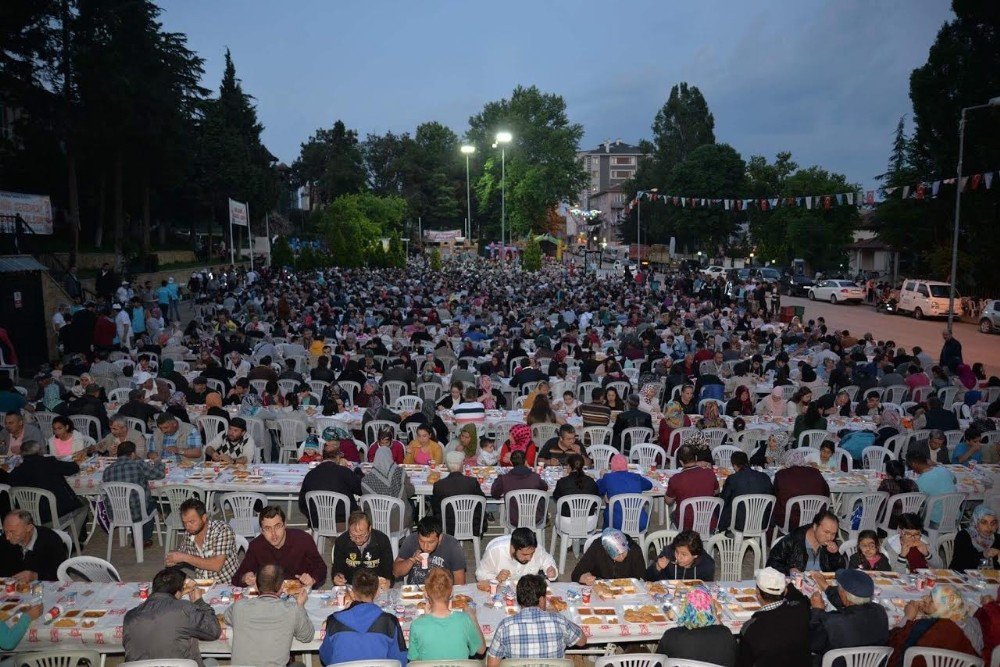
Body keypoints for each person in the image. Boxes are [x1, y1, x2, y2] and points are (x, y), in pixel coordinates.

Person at [122, 566, 222, 667]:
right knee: (211, 662)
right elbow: (214, 631)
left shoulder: (129, 616)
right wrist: (199, 602)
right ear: (178, 592)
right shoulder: (184, 608)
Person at [225, 562, 315, 667]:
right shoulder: (292, 610)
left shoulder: (239, 606)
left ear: (257, 587)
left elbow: (227, 617)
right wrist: (300, 605)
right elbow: (307, 636)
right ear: (282, 586)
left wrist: (248, 597)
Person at [486, 573, 585, 666]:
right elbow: (582, 641)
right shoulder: (559, 620)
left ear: (518, 599)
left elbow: (492, 664)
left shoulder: (505, 625)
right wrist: (559, 616)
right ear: (542, 599)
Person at [318, 569, 408, 667]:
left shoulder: (334, 621)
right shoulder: (390, 622)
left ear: (352, 592)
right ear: (378, 592)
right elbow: (400, 661)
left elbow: (326, 657)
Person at [7, 439, 88, 537]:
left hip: (27, 518)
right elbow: (73, 468)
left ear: (22, 454)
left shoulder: (17, 471)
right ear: (39, 451)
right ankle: (71, 542)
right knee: (83, 505)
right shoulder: (50, 462)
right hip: (53, 516)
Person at [231, 505, 327, 587]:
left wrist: (313, 579)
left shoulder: (303, 539)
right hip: (270, 595)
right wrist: (245, 578)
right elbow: (236, 578)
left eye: (277, 526)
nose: (273, 534)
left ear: (285, 525)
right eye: (267, 528)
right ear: (262, 531)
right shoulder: (256, 546)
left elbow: (321, 567)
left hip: (300, 590)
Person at [887, 584, 981, 667]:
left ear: (942, 608)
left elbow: (893, 640)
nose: (925, 599)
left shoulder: (926, 627)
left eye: (931, 600)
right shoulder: (973, 623)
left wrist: (908, 617)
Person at [407, 567, 486, 661]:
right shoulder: (464, 620)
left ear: (426, 594)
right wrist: (473, 617)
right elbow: (481, 650)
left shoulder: (417, 625)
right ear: (452, 592)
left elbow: (414, 660)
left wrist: (424, 618)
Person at [736, 567, 810, 667]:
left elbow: (743, 663)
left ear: (758, 594)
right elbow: (801, 599)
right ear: (784, 591)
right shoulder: (801, 611)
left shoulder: (751, 628)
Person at [807, 568, 889, 658]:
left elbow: (813, 644)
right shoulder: (880, 611)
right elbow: (849, 603)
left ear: (843, 594)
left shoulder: (832, 621)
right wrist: (827, 588)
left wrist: (817, 610)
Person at [101, 441, 165, 545]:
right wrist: (158, 462)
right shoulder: (138, 464)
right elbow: (160, 474)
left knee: (132, 501)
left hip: (116, 512)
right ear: (133, 454)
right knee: (151, 503)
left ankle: (135, 535)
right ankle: (144, 538)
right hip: (137, 511)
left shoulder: (107, 470)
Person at [656, 587, 737, 667]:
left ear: (685, 610)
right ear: (711, 611)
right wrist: (715, 616)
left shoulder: (672, 635)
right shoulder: (725, 634)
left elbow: (657, 663)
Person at [165, 497, 241, 583]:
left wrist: (183, 557)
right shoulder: (189, 533)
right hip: (202, 583)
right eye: (184, 522)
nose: (187, 527)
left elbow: (216, 565)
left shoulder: (222, 530)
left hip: (227, 584)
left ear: (204, 518)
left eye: (192, 522)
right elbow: (182, 554)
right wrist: (174, 559)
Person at [298, 439, 363, 527]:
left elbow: (302, 504)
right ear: (338, 457)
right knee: (362, 510)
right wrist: (356, 471)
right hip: (343, 522)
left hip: (317, 522)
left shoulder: (310, 474)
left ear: (322, 457)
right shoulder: (344, 472)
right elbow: (360, 490)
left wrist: (313, 516)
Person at [766, 509, 846, 574]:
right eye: (826, 532)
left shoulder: (830, 544)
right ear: (815, 526)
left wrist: (835, 555)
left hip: (821, 586)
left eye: (833, 534)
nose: (829, 537)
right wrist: (788, 570)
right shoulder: (793, 540)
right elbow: (771, 564)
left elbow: (841, 571)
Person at [394, 516, 467, 585]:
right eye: (421, 541)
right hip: (416, 590)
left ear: (440, 537)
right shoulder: (411, 540)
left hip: (442, 591)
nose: (425, 547)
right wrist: (411, 560)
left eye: (430, 542)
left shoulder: (452, 545)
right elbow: (396, 572)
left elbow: (460, 582)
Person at [0, 509, 68, 582]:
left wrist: (36, 576)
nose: (7, 537)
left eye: (12, 532)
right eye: (5, 531)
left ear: (29, 528)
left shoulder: (51, 540)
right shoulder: (4, 540)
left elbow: (62, 572)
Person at [331, 510, 395, 586]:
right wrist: (337, 576)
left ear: (369, 529)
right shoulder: (341, 541)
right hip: (351, 585)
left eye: (361, 536)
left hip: (375, 585)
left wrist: (387, 580)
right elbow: (337, 567)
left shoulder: (382, 540)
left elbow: (388, 568)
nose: (357, 540)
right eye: (353, 536)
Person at [476, 527, 558, 583]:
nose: (529, 558)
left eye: (531, 554)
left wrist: (551, 569)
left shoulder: (536, 548)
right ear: (513, 548)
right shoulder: (495, 551)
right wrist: (496, 578)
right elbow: (480, 574)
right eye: (525, 554)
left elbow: (547, 560)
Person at [432, 451, 486, 536]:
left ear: (447, 465)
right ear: (462, 464)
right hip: (471, 524)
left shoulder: (439, 485)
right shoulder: (472, 482)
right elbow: (482, 501)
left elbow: (436, 508)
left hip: (447, 526)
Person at [362, 446, 415, 531]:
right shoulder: (400, 472)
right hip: (400, 522)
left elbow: (366, 505)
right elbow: (410, 492)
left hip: (376, 523)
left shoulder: (366, 481)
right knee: (410, 505)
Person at [664, 446, 716, 530]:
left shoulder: (675, 479)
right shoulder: (710, 473)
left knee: (673, 514)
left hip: (685, 523)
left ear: (680, 462)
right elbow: (716, 491)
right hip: (707, 520)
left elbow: (668, 501)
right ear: (696, 458)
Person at [718, 450, 774, 530]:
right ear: (747, 462)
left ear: (734, 466)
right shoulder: (764, 477)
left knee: (719, 506)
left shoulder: (733, 479)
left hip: (739, 523)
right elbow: (771, 496)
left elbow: (724, 500)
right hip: (761, 521)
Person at [490, 449, 548, 524]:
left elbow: (494, 494)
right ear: (525, 461)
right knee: (542, 498)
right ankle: (545, 517)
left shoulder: (504, 478)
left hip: (514, 520)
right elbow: (545, 488)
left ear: (511, 462)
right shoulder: (535, 477)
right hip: (535, 519)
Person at [570, 527, 646, 584]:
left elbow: (643, 578)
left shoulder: (635, 550)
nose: (622, 557)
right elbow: (576, 574)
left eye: (624, 552)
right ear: (607, 552)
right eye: (617, 555)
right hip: (601, 589)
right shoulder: (597, 548)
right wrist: (584, 578)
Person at [771, 460, 831, 530]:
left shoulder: (781, 474)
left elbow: (775, 495)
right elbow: (826, 493)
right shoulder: (815, 472)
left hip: (790, 521)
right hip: (816, 520)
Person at [905, 450, 957, 526]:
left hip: (935, 521)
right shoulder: (943, 470)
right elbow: (954, 480)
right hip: (954, 518)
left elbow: (915, 504)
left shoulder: (920, 482)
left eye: (911, 467)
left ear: (914, 464)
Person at [645, 529, 716, 581]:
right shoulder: (668, 553)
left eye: (684, 554)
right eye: (677, 552)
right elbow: (647, 579)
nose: (678, 557)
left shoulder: (707, 564)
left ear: (695, 555)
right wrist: (657, 567)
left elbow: (707, 588)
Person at [951, 504, 1000, 571]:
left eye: (992, 523)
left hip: (989, 579)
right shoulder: (964, 536)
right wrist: (983, 554)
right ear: (976, 523)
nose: (989, 527)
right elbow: (960, 564)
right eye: (984, 522)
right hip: (962, 576)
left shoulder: (997, 538)